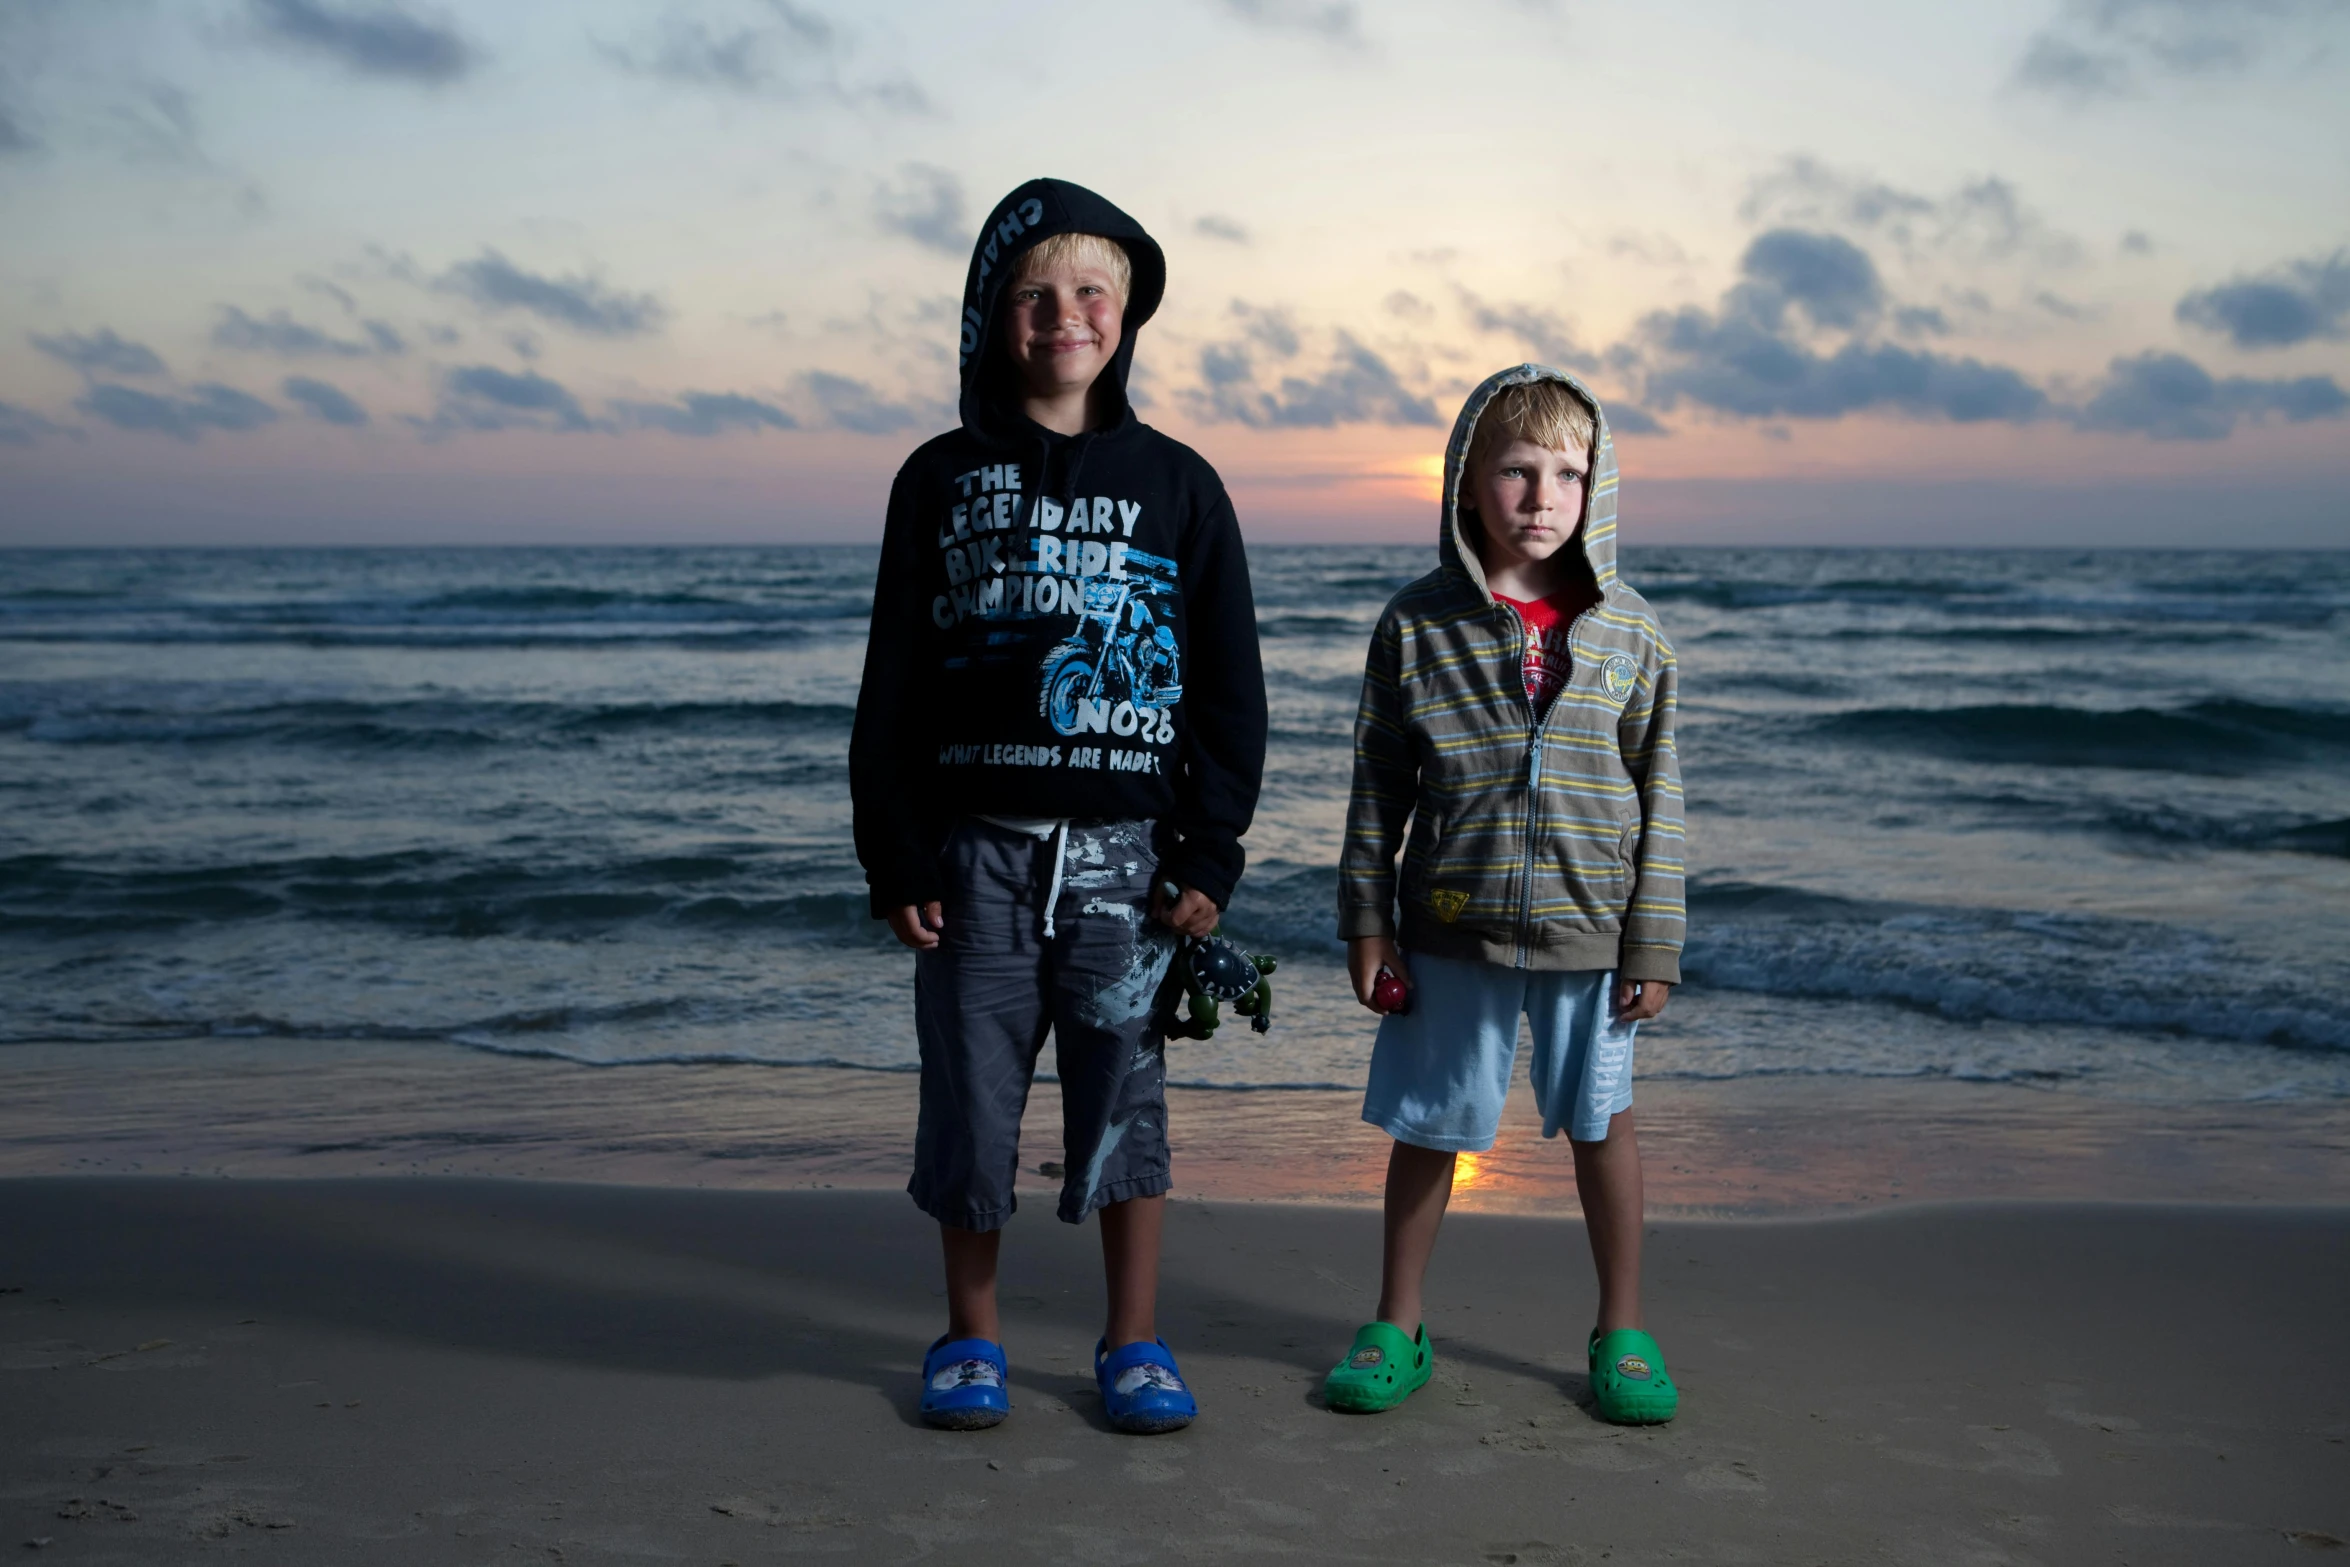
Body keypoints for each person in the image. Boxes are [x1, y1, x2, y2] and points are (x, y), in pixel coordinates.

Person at [849, 179, 1266, 1436]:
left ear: (1128, 310)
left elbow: (1227, 687)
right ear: (991, 316)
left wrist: (1210, 849)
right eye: (1033, 293)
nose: (1064, 314)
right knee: (971, 1104)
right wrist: (896, 849)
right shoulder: (937, 477)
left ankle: (1132, 1340)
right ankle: (969, 1337)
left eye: (1092, 290)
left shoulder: (1181, 486)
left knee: (1123, 1103)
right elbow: (893, 686)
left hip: (1126, 868)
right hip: (975, 858)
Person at [1325, 365, 1685, 1424]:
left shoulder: (1631, 632)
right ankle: (1399, 1319)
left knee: (1600, 1123)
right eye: (1516, 471)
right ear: (1466, 485)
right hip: (1449, 928)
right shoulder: (1415, 625)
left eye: (1568, 475)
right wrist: (1367, 921)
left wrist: (1652, 943)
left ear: (1598, 490)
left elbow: (1660, 795)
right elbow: (1377, 787)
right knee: (1431, 1125)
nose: (1541, 496)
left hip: (1591, 928)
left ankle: (1621, 1325)